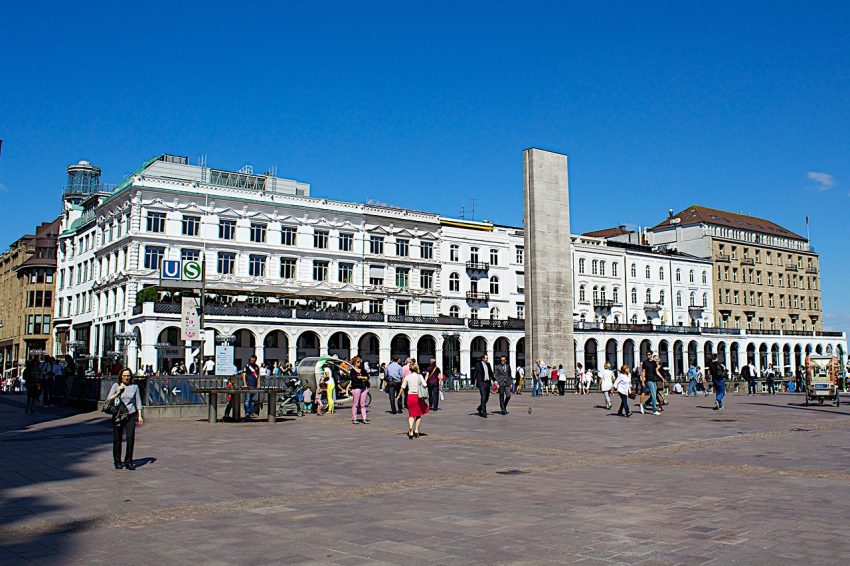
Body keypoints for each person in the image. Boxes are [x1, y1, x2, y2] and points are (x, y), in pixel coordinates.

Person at [106, 368, 143, 470]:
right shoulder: (116, 385)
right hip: (118, 415)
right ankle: (117, 461)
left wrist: (140, 416)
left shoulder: (134, 387)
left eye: (128, 376)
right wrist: (118, 392)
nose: (126, 377)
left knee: (130, 438)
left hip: (130, 414)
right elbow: (109, 398)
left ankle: (129, 461)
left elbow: (138, 401)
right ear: (121, 376)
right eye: (124, 376)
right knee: (117, 439)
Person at [399, 362, 429, 438]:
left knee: (411, 414)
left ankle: (410, 428)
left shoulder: (407, 377)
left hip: (410, 396)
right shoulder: (419, 376)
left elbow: (403, 387)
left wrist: (399, 395)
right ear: (416, 368)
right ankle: (416, 430)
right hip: (418, 397)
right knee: (418, 414)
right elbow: (425, 385)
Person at [349, 357, 370, 424]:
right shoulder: (352, 371)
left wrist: (361, 377)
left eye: (360, 361)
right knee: (355, 404)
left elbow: (367, 377)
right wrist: (363, 378)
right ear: (354, 362)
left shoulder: (362, 369)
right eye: (358, 362)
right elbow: (354, 379)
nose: (359, 363)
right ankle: (354, 418)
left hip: (364, 387)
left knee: (363, 404)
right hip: (356, 388)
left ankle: (364, 418)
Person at [640, 350, 661, 415]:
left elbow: (656, 371)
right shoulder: (645, 362)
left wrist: (662, 378)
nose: (648, 355)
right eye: (647, 354)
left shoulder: (654, 363)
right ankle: (654, 410)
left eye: (649, 354)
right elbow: (643, 372)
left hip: (654, 380)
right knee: (654, 394)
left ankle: (644, 405)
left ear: (651, 355)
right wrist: (643, 381)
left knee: (654, 394)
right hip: (648, 380)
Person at [242, 355, 261, 419]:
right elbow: (244, 375)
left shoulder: (256, 367)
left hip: (254, 385)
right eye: (251, 360)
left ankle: (251, 412)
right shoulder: (247, 366)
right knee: (247, 399)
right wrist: (245, 384)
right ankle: (247, 412)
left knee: (252, 400)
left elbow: (258, 376)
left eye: (253, 360)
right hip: (248, 385)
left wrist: (258, 384)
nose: (252, 361)